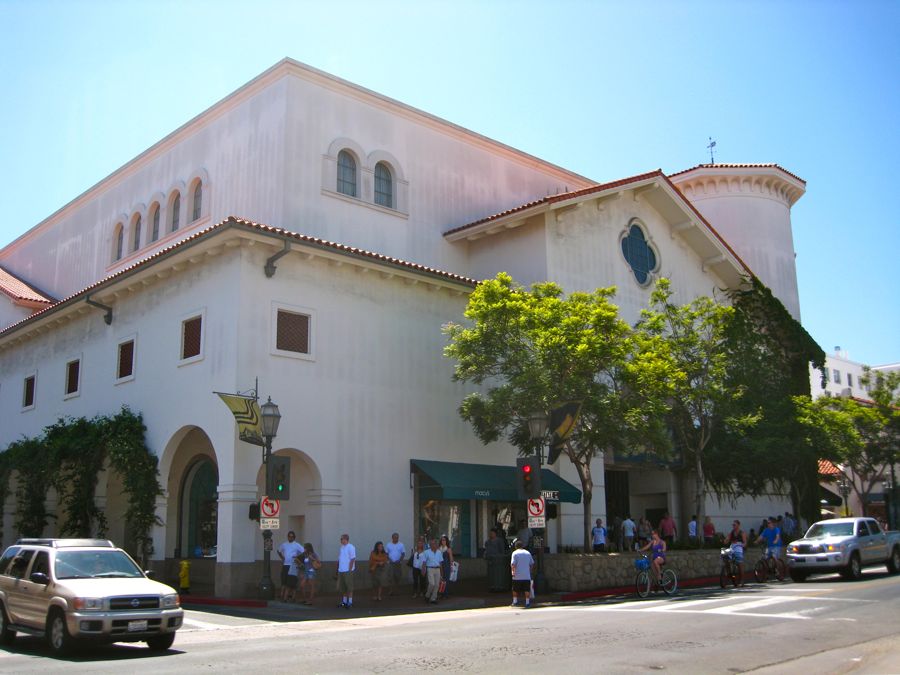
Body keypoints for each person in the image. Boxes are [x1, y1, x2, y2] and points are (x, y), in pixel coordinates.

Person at [277, 531, 303, 602]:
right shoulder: (284, 544)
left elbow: (303, 552)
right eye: (289, 536)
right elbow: (278, 551)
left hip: (293, 566)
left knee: (292, 581)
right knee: (284, 580)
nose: (290, 538)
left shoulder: (297, 545)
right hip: (285, 565)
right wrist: (282, 558)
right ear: (287, 537)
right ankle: (282, 595)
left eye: (292, 536)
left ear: (294, 537)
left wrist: (297, 557)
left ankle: (292, 597)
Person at [510, 539, 535, 608]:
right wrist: (530, 571)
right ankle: (527, 602)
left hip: (517, 575)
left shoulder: (514, 553)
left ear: (515, 547)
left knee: (515, 589)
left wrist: (513, 572)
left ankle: (515, 601)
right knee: (527, 589)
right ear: (522, 546)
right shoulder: (528, 553)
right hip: (526, 575)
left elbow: (513, 564)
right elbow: (532, 564)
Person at [723, 519, 748, 586]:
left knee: (740, 563)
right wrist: (725, 540)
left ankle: (742, 580)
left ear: (738, 525)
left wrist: (743, 545)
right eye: (733, 525)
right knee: (724, 554)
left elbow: (745, 542)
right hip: (732, 547)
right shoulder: (731, 532)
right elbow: (727, 539)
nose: (733, 526)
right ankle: (728, 573)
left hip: (739, 547)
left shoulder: (742, 533)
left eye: (734, 525)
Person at [421, 538, 444, 604]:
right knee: (432, 583)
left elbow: (440, 563)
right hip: (430, 568)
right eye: (432, 544)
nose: (434, 545)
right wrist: (423, 570)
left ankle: (433, 598)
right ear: (430, 545)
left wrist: (442, 572)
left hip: (437, 569)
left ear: (437, 545)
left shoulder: (439, 552)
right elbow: (424, 562)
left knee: (437, 585)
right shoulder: (426, 552)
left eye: (435, 544)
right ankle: (427, 595)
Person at [337, 533, 356, 609]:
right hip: (341, 570)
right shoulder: (341, 547)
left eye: (342, 539)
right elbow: (340, 558)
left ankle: (350, 602)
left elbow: (353, 558)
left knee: (349, 587)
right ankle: (344, 601)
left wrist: (350, 569)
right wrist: (338, 568)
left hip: (348, 570)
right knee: (343, 587)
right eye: (341, 539)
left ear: (346, 539)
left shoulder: (351, 547)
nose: (341, 540)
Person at [385, 532, 406, 596]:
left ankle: (397, 590)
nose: (396, 538)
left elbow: (403, 553)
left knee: (398, 577)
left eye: (397, 537)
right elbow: (386, 553)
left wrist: (400, 560)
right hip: (391, 564)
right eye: (395, 537)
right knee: (390, 577)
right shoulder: (388, 544)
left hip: (398, 564)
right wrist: (389, 559)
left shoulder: (401, 545)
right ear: (392, 538)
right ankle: (391, 590)